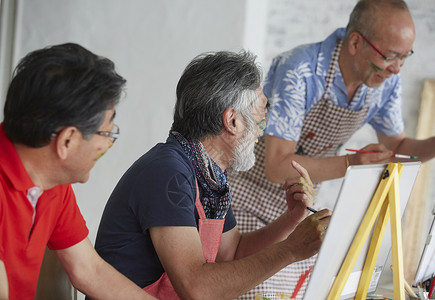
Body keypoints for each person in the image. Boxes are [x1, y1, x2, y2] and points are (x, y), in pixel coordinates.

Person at [228, 0, 435, 298]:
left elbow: (397, 147)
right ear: (356, 42)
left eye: (405, 57)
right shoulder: (300, 70)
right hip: (246, 201)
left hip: (297, 206)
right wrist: (352, 164)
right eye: (390, 56)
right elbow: (277, 166)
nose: (397, 69)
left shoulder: (384, 84)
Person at [93, 50, 332, 299]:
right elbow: (197, 288)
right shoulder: (168, 173)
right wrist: (290, 251)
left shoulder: (208, 174)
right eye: (262, 113)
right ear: (232, 121)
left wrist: (292, 219)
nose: (263, 129)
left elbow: (232, 252)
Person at [0, 43, 158, 300]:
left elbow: (89, 271)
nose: (108, 144)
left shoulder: (53, 184)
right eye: (106, 133)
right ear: (67, 141)